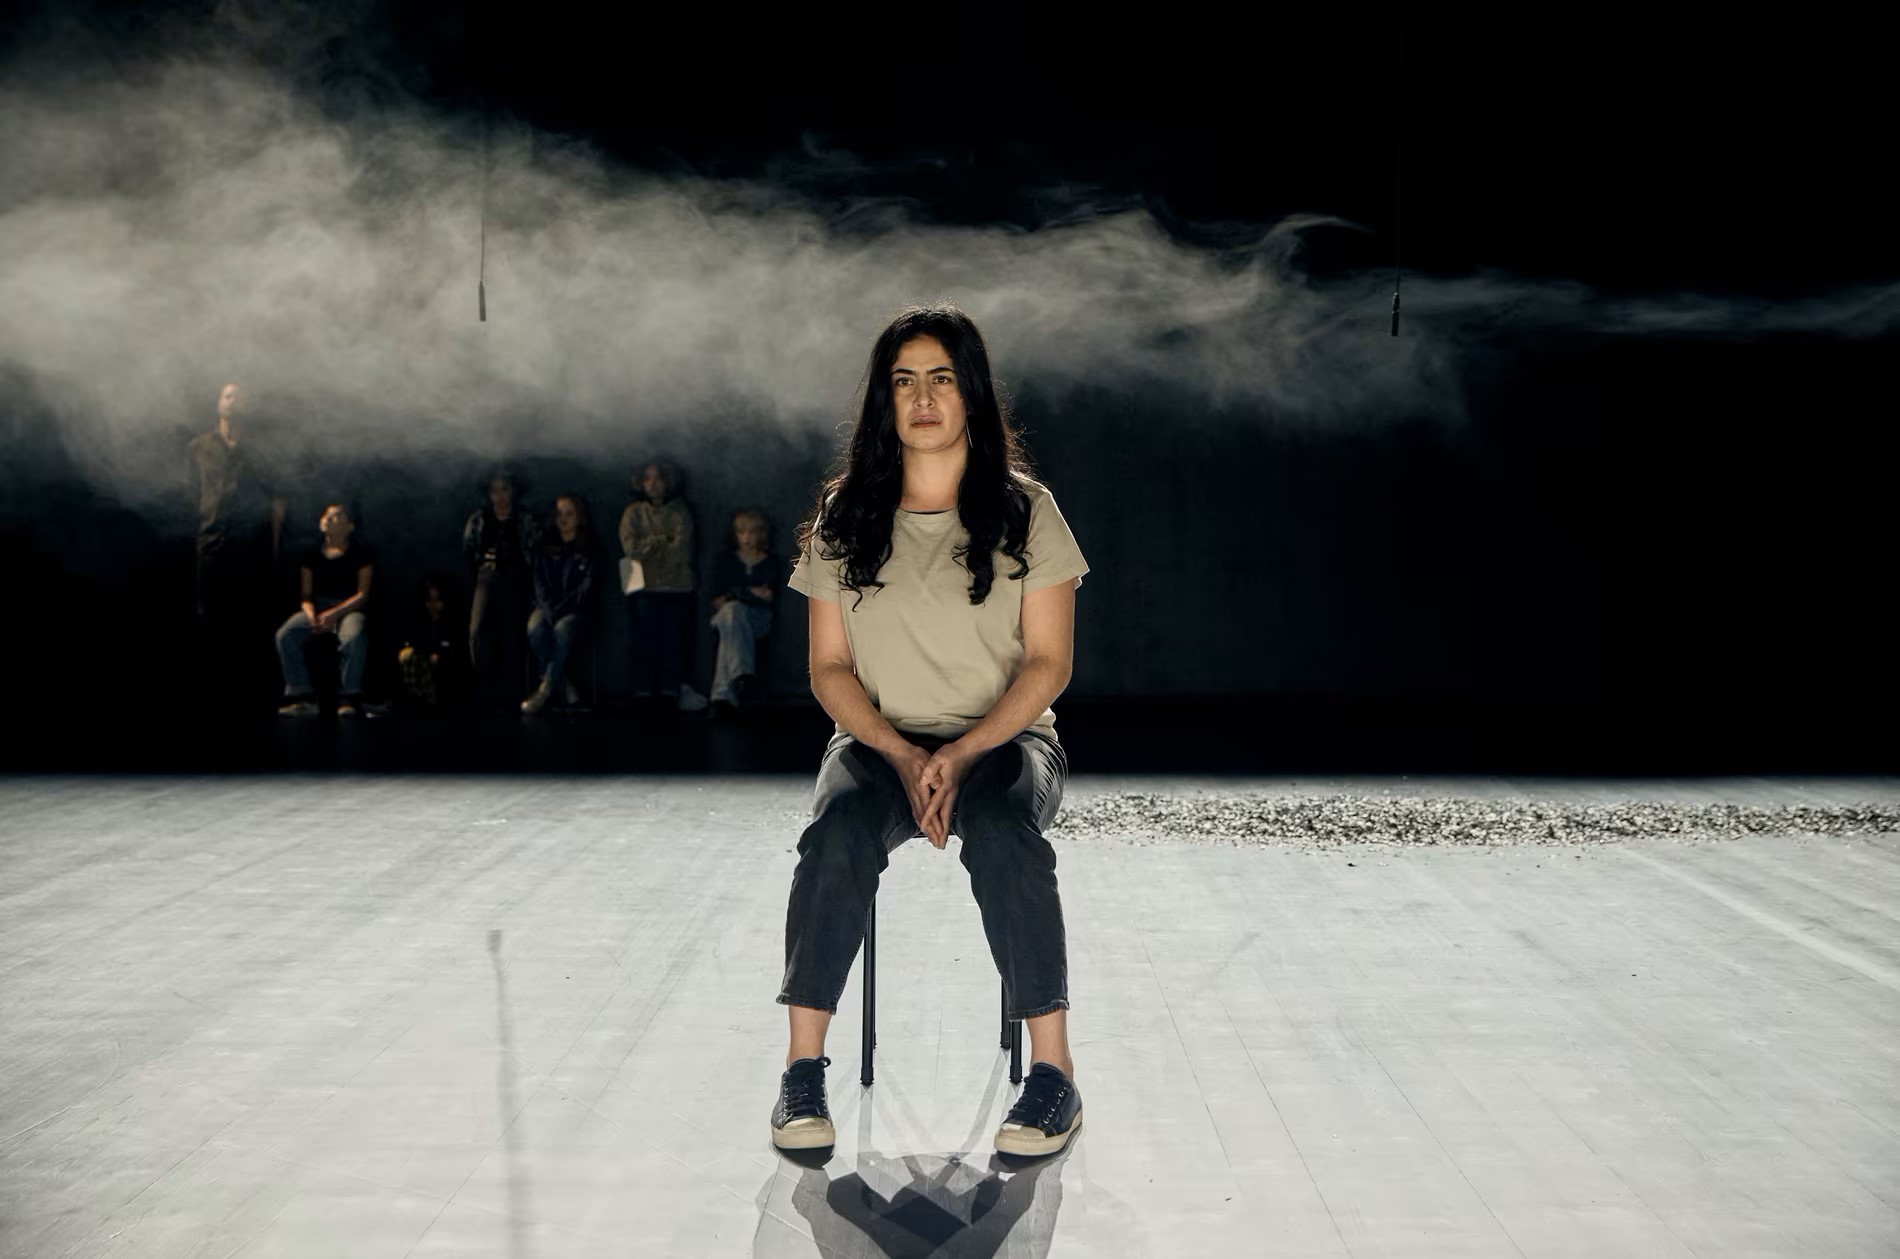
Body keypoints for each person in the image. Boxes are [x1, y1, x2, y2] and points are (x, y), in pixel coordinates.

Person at [771, 304, 1090, 1158]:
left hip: (1007, 743)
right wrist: (906, 753)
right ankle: (803, 1071)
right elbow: (829, 671)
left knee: (1003, 828)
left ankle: (1053, 1077)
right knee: (834, 832)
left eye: (940, 378)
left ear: (971, 395)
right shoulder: (846, 513)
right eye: (903, 381)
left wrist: (963, 750)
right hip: (878, 742)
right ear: (885, 399)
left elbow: (1048, 665)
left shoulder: (1028, 512)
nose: (922, 397)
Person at [188, 380, 287, 706]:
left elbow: (276, 504)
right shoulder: (199, 446)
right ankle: (214, 693)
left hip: (249, 548)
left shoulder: (262, 450)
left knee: (250, 622)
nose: (232, 402)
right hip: (212, 544)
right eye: (227, 396)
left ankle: (251, 695)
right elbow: (192, 495)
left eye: (239, 398)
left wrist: (272, 550)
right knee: (211, 621)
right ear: (218, 402)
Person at [275, 503, 374, 716]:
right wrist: (311, 615)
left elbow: (362, 595)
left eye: (336, 517)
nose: (328, 520)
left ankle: (347, 697)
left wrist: (335, 613)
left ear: (349, 527)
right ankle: (303, 696)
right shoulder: (311, 553)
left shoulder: (360, 553)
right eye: (326, 516)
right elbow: (306, 596)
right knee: (286, 634)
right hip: (319, 607)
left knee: (354, 636)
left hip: (348, 608)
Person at [618, 459, 700, 708]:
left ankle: (670, 691)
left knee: (673, 640)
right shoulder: (633, 513)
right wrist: (663, 540)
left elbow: (682, 552)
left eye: (659, 478)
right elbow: (631, 549)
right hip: (643, 586)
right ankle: (642, 690)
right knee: (644, 640)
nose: (653, 485)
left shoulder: (680, 511)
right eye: (648, 479)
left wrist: (650, 545)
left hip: (677, 587)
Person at [463, 471, 540, 713]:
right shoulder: (479, 519)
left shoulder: (524, 519)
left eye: (505, 489)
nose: (500, 496)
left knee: (512, 637)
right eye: (495, 490)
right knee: (478, 633)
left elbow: (535, 550)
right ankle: (484, 692)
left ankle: (510, 695)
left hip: (516, 581)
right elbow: (469, 549)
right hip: (487, 578)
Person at [705, 507, 786, 715]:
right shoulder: (725, 560)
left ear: (761, 533)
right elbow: (717, 600)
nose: (746, 538)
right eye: (741, 532)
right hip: (725, 615)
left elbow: (768, 597)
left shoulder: (771, 561)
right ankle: (743, 675)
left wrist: (736, 592)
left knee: (730, 624)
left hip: (758, 620)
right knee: (731, 613)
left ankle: (721, 698)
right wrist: (750, 592)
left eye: (751, 532)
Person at [523, 492, 597, 713]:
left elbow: (585, 589)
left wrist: (561, 612)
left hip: (576, 611)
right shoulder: (544, 548)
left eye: (569, 514)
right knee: (535, 629)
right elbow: (539, 585)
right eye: (559, 514)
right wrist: (549, 610)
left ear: (579, 517)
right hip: (546, 608)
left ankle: (545, 689)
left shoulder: (589, 550)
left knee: (563, 630)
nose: (564, 519)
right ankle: (565, 686)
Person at [397, 574, 469, 711]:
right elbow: (415, 642)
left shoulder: (453, 622)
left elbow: (455, 647)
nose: (433, 606)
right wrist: (428, 653)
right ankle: (417, 698)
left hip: (448, 664)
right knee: (407, 656)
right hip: (425, 659)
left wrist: (439, 653)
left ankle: (434, 701)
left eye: (437, 601)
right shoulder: (420, 619)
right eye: (429, 600)